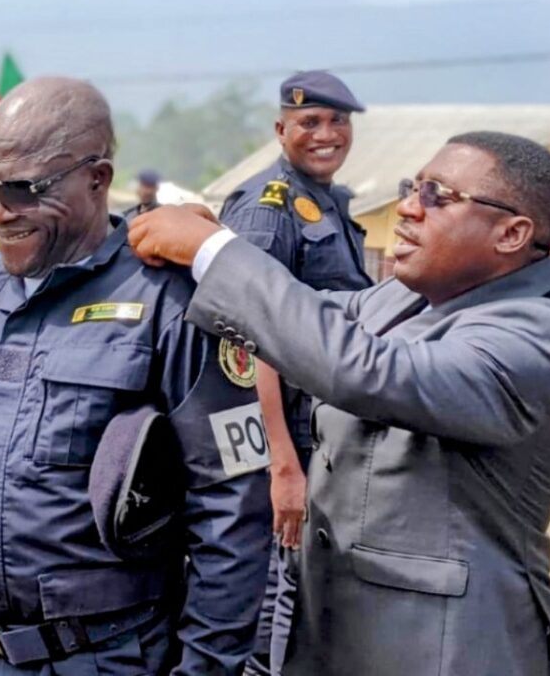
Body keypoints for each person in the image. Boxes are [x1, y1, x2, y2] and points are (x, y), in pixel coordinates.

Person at [129, 131, 550, 676]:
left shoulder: (536, 337)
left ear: (512, 233)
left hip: (448, 650)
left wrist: (215, 253)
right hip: (341, 636)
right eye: (411, 187)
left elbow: (360, 369)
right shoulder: (410, 296)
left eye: (437, 195)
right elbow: (303, 321)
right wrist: (214, 246)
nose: (409, 208)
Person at [0, 77, 271, 676]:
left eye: (26, 190)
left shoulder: (168, 300)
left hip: (107, 658)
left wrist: (204, 668)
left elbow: (231, 506)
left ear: (96, 178)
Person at [216, 70, 372, 676]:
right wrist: (281, 463)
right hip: (285, 436)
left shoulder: (327, 199)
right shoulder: (268, 207)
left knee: (303, 587)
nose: (327, 134)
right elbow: (247, 340)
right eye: (310, 122)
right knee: (274, 592)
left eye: (338, 122)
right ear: (281, 129)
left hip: (319, 428)